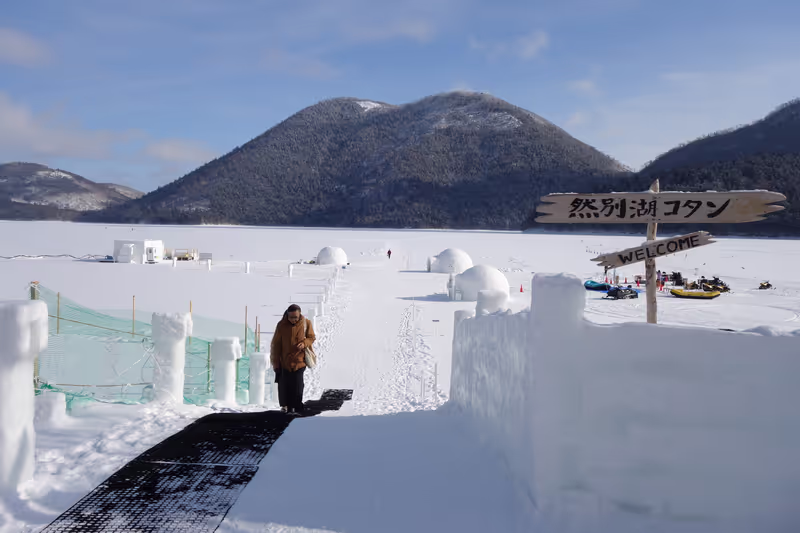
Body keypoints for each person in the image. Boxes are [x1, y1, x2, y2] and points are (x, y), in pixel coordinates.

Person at [270, 304, 316, 415]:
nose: (293, 320)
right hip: (285, 361)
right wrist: (275, 361)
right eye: (291, 317)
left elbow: (311, 337)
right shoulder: (281, 325)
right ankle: (288, 407)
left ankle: (297, 406)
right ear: (287, 315)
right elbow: (276, 345)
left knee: (298, 385)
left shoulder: (306, 323)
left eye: (295, 317)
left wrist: (304, 343)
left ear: (300, 314)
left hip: (300, 361)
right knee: (286, 385)